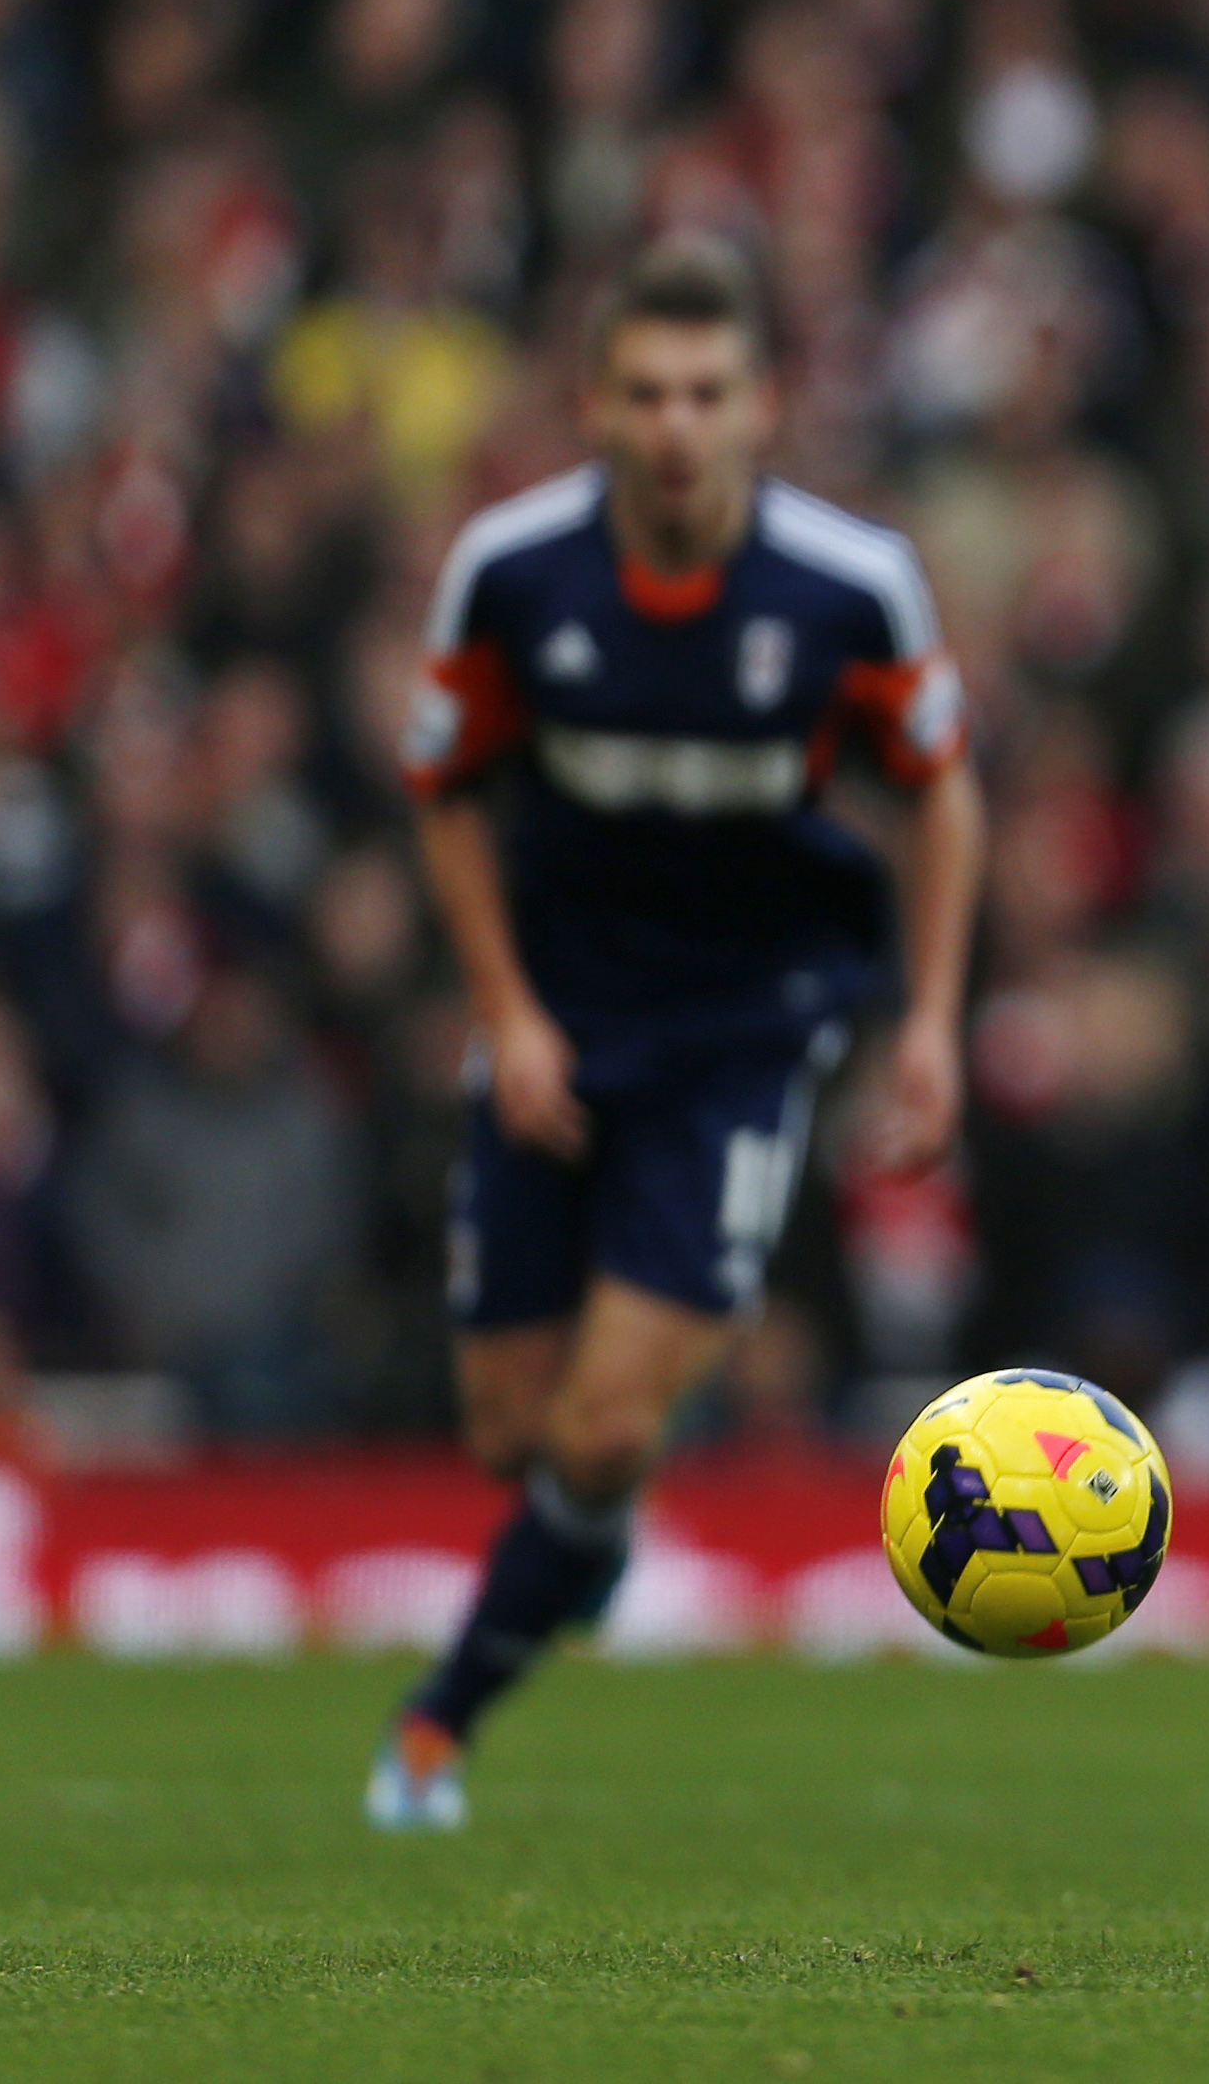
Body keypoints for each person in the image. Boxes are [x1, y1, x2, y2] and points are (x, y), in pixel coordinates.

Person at [375, 235, 983, 1830]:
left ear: (764, 404)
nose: (674, 425)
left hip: (743, 1033)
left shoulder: (850, 589)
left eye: (707, 393)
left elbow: (939, 795)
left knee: (606, 1417)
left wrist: (927, 1018)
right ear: (591, 404)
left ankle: (436, 1728)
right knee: (515, 1433)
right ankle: (589, 1529)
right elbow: (444, 793)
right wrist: (504, 1014)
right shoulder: (513, 573)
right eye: (644, 393)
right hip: (562, 1025)